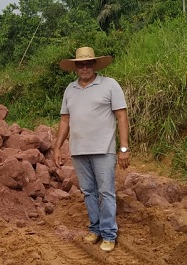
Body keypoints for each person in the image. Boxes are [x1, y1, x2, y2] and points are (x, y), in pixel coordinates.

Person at [52, 46, 130, 252]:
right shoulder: (70, 89)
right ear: (76, 67)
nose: (85, 68)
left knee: (106, 192)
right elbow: (65, 120)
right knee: (88, 192)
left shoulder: (110, 85)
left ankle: (109, 234)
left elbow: (121, 116)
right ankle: (95, 229)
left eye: (88, 63)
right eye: (80, 64)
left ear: (94, 65)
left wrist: (123, 148)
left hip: (103, 150)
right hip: (78, 150)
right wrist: (58, 147)